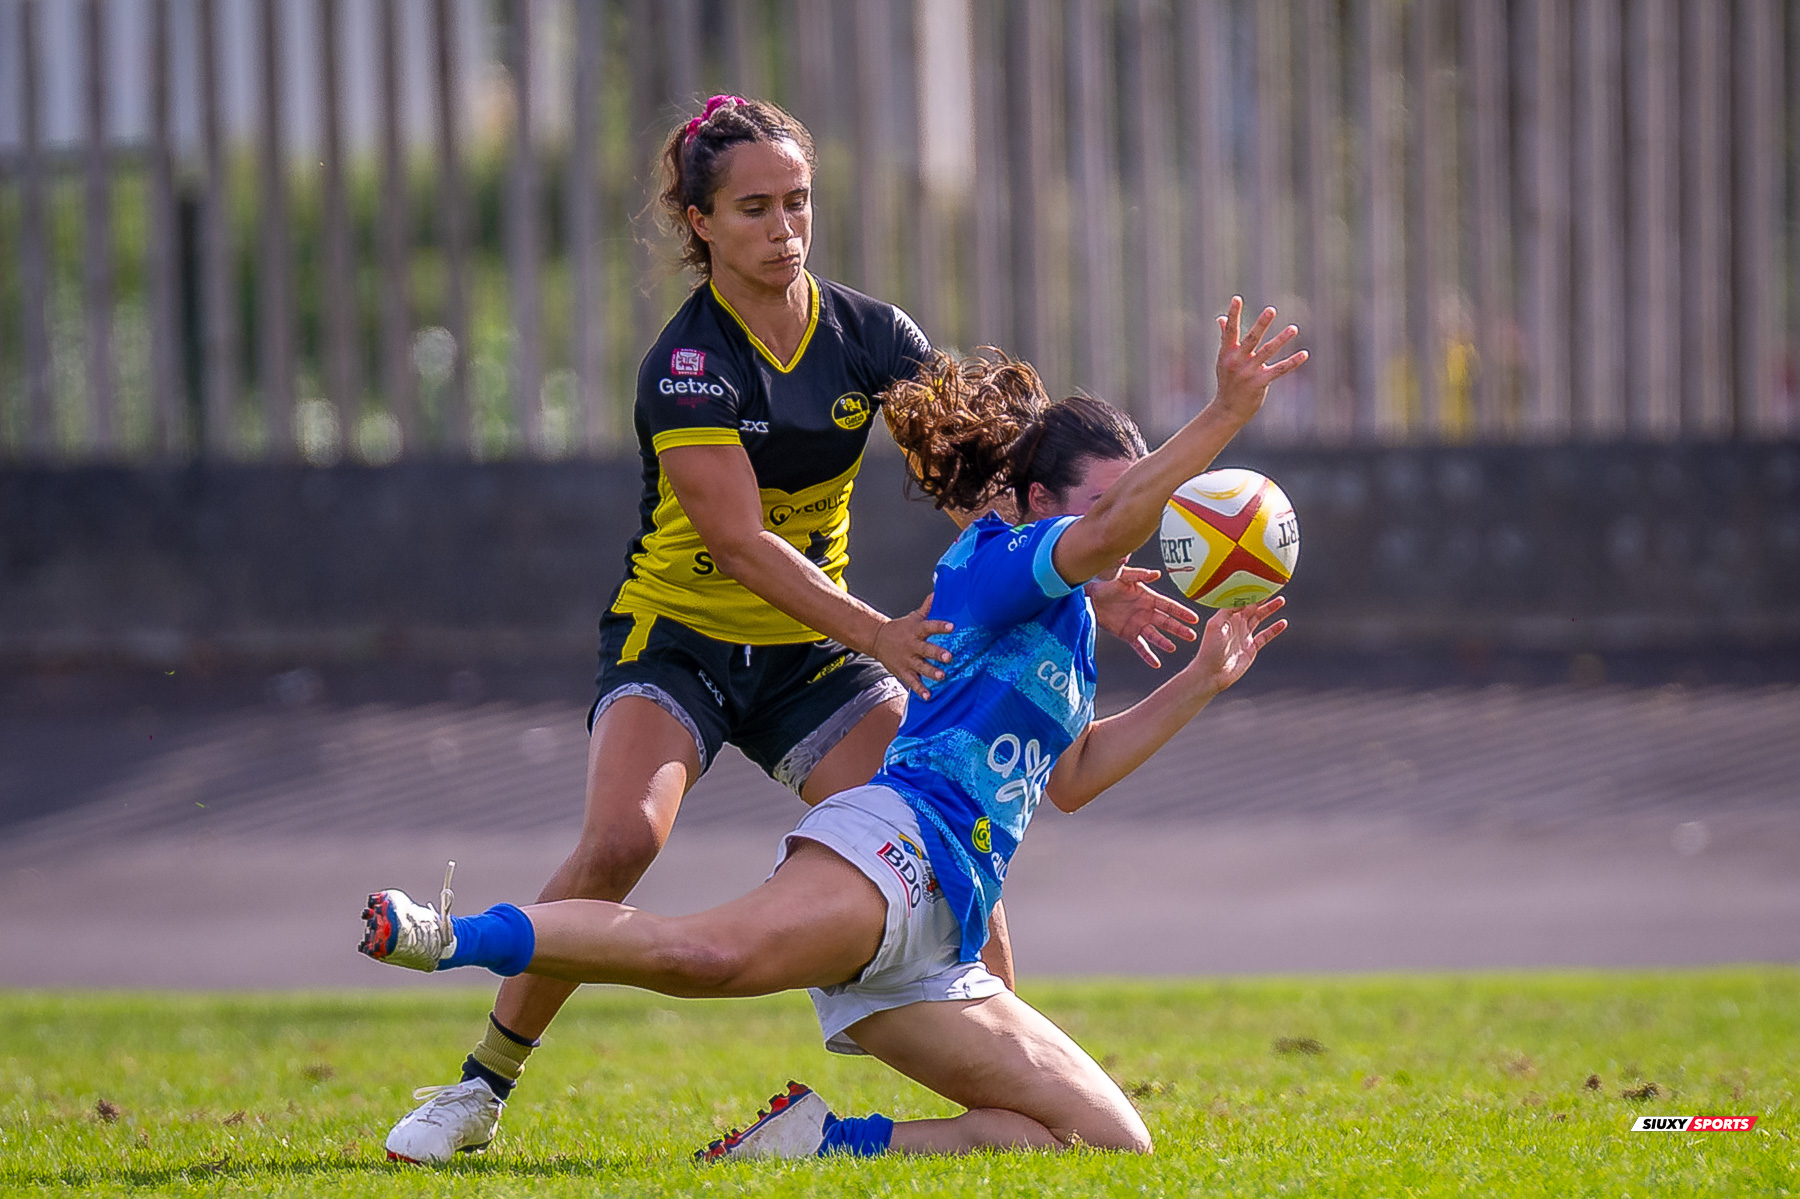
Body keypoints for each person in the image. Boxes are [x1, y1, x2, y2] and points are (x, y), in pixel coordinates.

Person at [380, 94, 1198, 1163]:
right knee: (624, 838)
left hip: (811, 659)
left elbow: (981, 501)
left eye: (798, 202)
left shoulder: (870, 335)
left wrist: (1082, 589)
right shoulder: (688, 365)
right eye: (755, 207)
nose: (784, 227)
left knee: (959, 865)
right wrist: (879, 632)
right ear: (701, 223)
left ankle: (1012, 1105)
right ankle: (481, 1085)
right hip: (681, 640)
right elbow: (740, 543)